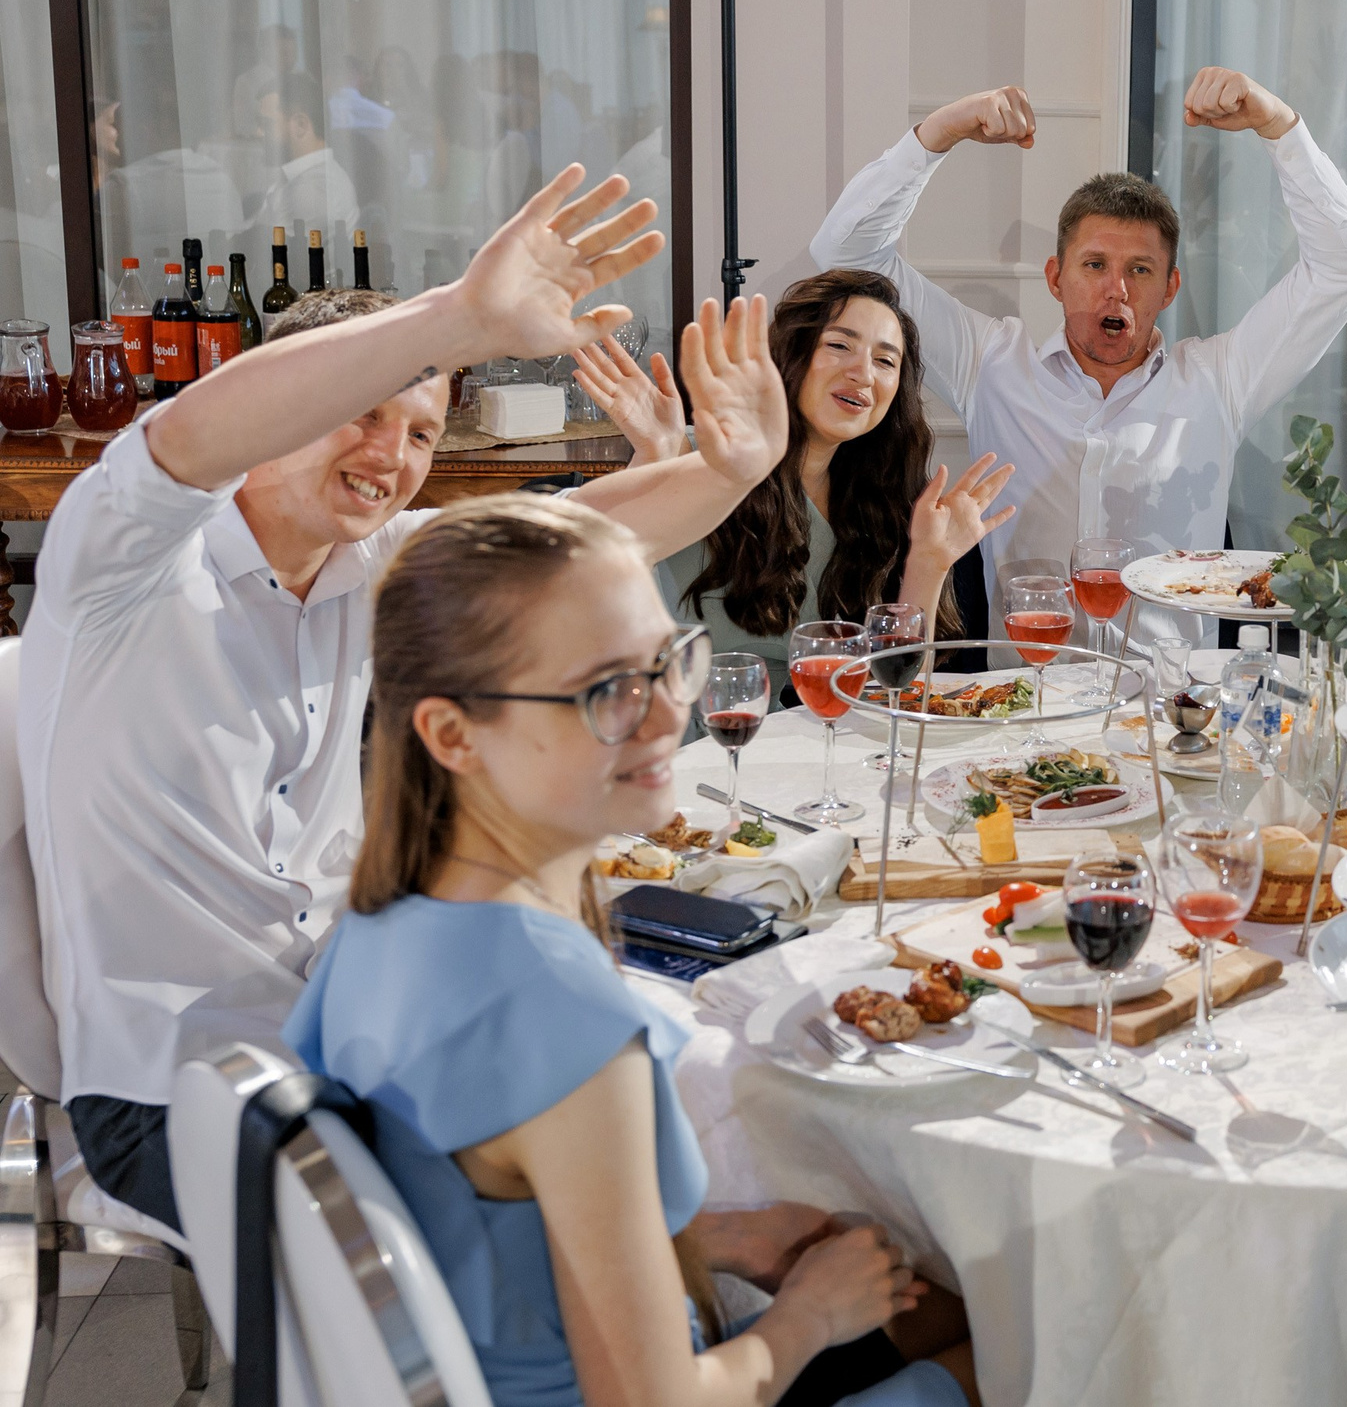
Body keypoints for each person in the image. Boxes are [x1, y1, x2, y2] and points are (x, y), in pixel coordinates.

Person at [22, 165, 789, 1234]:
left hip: (365, 1035)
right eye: (361, 414)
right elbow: (188, 439)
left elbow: (576, 537)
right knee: (530, 1216)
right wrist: (456, 318)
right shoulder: (126, 564)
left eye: (422, 433)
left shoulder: (376, 568)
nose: (391, 455)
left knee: (685, 1093)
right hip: (176, 1092)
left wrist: (732, 469)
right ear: (286, 399)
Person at [286, 495, 973, 1407]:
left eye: (666, 663)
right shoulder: (561, 1016)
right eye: (603, 689)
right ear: (452, 734)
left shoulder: (374, 926)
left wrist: (722, 1237)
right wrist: (808, 1315)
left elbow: (477, 1221)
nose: (665, 718)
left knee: (949, 1302)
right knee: (1067, 1344)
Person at [807, 67, 1347, 639]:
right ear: (1056, 278)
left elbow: (1346, 268)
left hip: (1170, 704)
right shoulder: (992, 366)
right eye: (1095, 265)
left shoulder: (1219, 379)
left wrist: (1278, 126)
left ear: (1170, 289)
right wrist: (942, 131)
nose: (1118, 289)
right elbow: (845, 250)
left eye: (1140, 270)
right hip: (1027, 701)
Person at [576, 269, 1017, 679]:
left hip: (826, 741)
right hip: (708, 739)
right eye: (839, 345)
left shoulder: (885, 496)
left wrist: (929, 561)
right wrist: (656, 456)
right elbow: (596, 570)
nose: (862, 373)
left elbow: (899, 686)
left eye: (885, 361)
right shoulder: (704, 457)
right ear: (793, 352)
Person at [254, 70, 362, 242]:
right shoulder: (303, 178)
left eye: (265, 124)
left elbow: (264, 257)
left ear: (300, 125)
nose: (258, 133)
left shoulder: (311, 191)